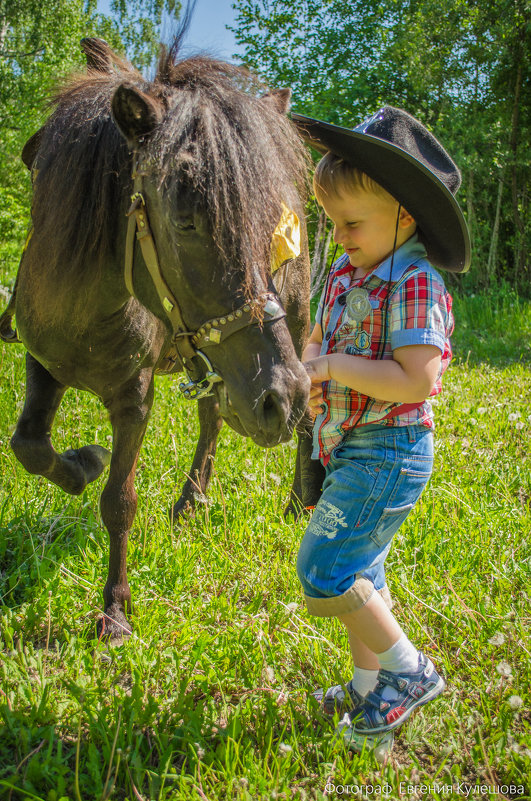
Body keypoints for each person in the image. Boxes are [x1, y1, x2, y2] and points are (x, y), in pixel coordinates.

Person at [291, 106, 470, 752]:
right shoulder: (346, 269)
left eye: (351, 223)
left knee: (326, 565)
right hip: (349, 444)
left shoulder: (415, 280)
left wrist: (336, 365)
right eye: (332, 223)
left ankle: (409, 669)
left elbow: (417, 379)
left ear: (404, 214)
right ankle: (368, 686)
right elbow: (317, 330)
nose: (338, 236)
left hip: (390, 450)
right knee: (360, 572)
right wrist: (311, 357)